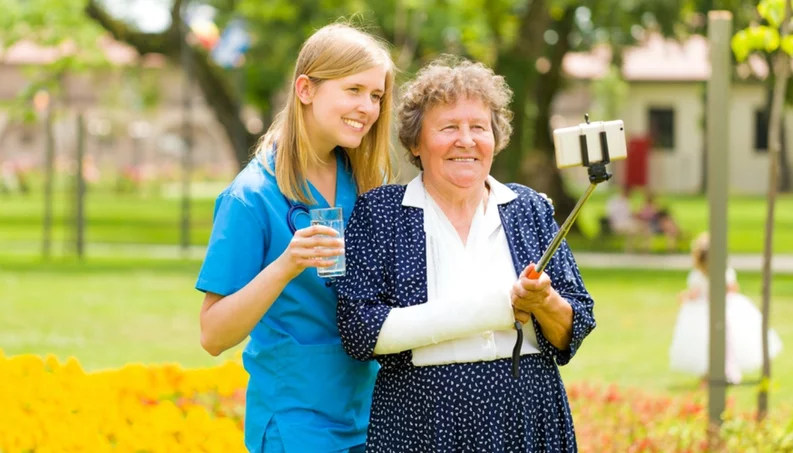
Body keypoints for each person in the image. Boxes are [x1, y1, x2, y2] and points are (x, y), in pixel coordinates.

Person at [335, 56, 596, 452]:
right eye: (448, 128)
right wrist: (495, 308)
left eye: (478, 127)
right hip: (420, 425)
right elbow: (359, 331)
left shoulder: (530, 209)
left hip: (527, 420)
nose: (467, 140)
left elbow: (572, 330)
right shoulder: (381, 213)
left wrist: (544, 302)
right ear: (414, 142)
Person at [195, 23, 395, 453]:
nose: (368, 107)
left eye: (376, 96)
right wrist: (286, 265)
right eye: (354, 89)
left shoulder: (363, 181)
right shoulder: (251, 197)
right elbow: (212, 335)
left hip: (370, 415)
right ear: (306, 89)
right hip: (296, 425)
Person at [669, 232, 783, 384]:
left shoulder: (698, 274)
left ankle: (712, 373)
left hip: (704, 312)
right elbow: (732, 288)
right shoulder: (723, 272)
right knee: (725, 341)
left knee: (707, 343)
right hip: (723, 308)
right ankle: (723, 370)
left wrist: (686, 296)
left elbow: (695, 293)